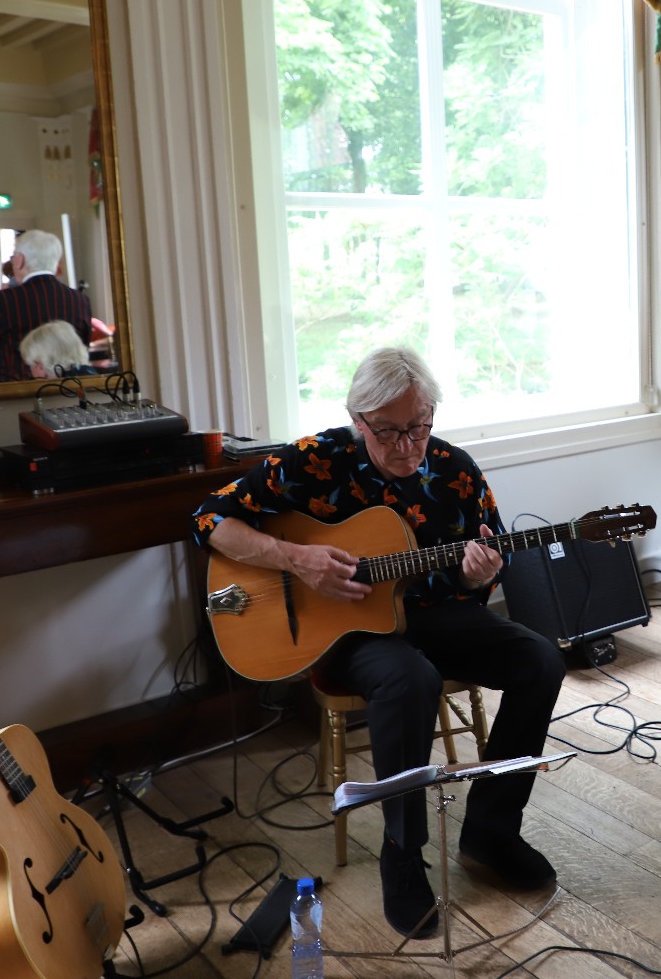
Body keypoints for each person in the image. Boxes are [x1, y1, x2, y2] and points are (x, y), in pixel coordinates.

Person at [192, 346, 565, 940]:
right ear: (357, 420)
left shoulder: (455, 469)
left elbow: (482, 568)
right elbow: (210, 520)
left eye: (419, 426)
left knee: (540, 659)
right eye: (388, 431)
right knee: (409, 678)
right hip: (346, 629)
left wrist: (480, 576)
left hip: (434, 615)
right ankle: (402, 853)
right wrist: (295, 558)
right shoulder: (314, 460)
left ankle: (492, 830)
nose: (407, 445)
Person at [0, 229, 91, 380]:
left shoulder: (4, 301)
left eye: (13, 257)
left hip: (20, 390)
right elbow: (82, 347)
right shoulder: (80, 299)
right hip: (68, 388)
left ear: (20, 260)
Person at [19, 320, 93, 378]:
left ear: (43, 365)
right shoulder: (90, 376)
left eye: (34, 364)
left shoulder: (56, 390)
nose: (31, 371)